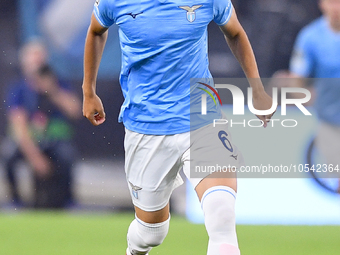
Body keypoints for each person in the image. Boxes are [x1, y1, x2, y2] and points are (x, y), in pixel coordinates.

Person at [82, 1, 275, 254]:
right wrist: (88, 91)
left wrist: (257, 89)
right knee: (150, 233)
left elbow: (235, 31)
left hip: (202, 117)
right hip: (146, 127)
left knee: (222, 216)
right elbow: (96, 30)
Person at [2, 39, 81, 208]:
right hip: (29, 142)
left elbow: (75, 110)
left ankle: (68, 201)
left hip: (54, 140)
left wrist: (52, 90)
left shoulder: (58, 84)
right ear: (25, 65)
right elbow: (19, 127)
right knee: (8, 155)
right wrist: (35, 157)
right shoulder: (19, 90)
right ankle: (16, 202)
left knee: (67, 155)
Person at [282, 0, 340, 188]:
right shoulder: (311, 37)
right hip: (329, 118)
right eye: (332, 2)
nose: (336, 7)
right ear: (322, 4)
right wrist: (307, 97)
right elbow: (297, 78)